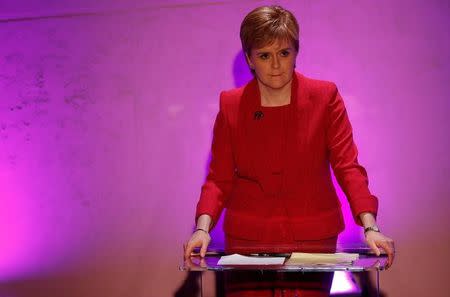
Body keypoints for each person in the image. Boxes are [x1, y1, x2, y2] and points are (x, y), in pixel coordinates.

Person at [184, 5, 395, 297]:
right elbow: (219, 178)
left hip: (314, 235)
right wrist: (202, 228)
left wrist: (370, 227)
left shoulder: (325, 97)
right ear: (249, 59)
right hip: (248, 238)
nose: (275, 65)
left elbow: (347, 166)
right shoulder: (231, 105)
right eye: (264, 55)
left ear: (296, 53)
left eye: (284, 53)